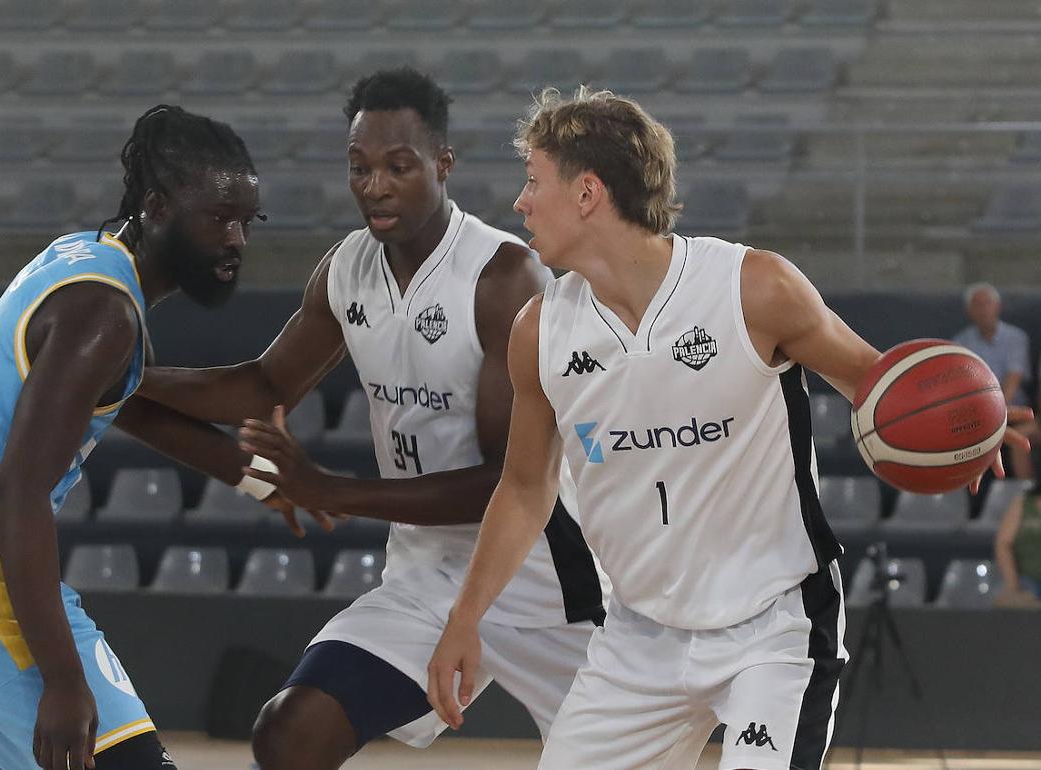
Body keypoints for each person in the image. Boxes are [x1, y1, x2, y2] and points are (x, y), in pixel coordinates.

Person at [426, 87, 1035, 770]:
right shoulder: (538, 333)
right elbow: (523, 487)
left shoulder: (754, 288)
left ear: (588, 192)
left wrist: (968, 422)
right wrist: (465, 616)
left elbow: (877, 385)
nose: (520, 202)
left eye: (534, 181)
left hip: (771, 628)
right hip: (636, 636)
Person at [137, 69, 608, 770]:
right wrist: (125, 379)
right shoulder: (346, 269)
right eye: (359, 168)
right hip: (426, 579)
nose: (376, 185)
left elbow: (504, 484)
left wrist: (332, 491)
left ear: (442, 164)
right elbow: (264, 385)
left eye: (399, 165)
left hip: (548, 585)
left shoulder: (502, 279)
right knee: (291, 734)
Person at [0, 105, 297, 770]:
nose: (237, 238)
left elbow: (116, 403)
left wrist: (256, 478)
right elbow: (17, 494)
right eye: (219, 218)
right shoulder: (106, 310)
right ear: (157, 207)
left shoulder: (84, 260)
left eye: (248, 220)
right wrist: (65, 682)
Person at [954, 282, 1036, 480]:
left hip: (1015, 412)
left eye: (987, 303)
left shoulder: (1016, 337)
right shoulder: (960, 343)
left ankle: (1026, 500)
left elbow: (1013, 378)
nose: (983, 309)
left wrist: (997, 413)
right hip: (976, 415)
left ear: (997, 307)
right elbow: (963, 387)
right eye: (977, 305)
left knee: (1021, 439)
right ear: (969, 311)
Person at [995, 490, 1041, 607]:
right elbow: (1003, 544)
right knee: (1006, 602)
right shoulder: (1024, 503)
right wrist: (1013, 586)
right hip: (1027, 580)